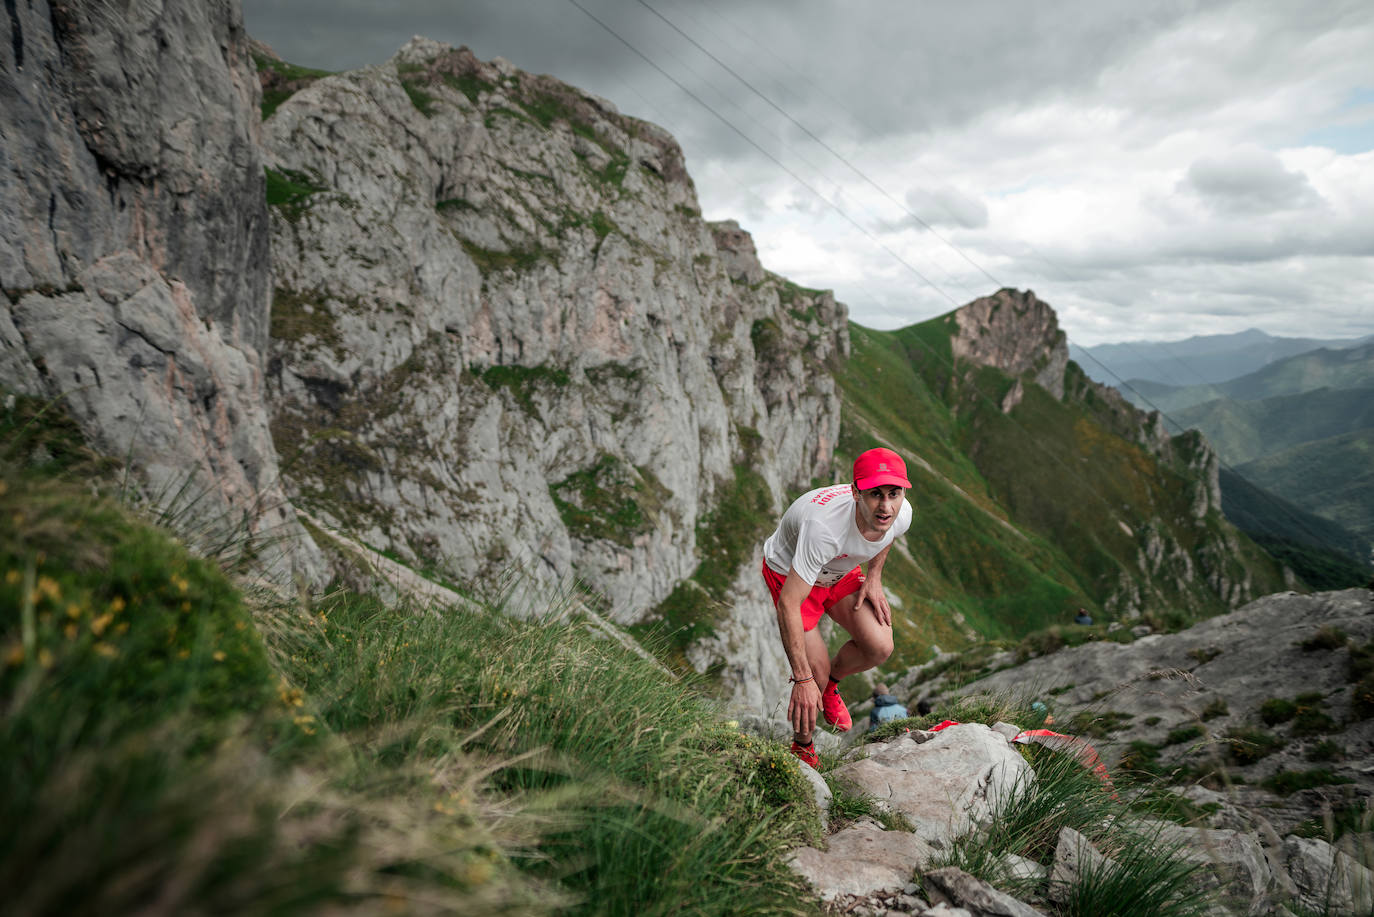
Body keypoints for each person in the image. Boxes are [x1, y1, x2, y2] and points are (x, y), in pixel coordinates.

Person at [760, 447, 913, 768]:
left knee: (880, 647)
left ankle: (832, 685)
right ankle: (803, 746)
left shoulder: (901, 513)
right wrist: (801, 680)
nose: (886, 506)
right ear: (856, 492)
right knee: (812, 675)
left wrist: (874, 576)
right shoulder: (824, 528)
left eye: (893, 494)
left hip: (839, 572)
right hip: (791, 575)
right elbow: (789, 603)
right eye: (875, 495)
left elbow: (887, 535)